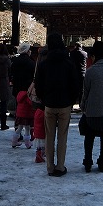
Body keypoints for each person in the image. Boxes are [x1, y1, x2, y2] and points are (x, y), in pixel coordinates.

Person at [34, 33, 79, 177]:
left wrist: (43, 99)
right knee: (62, 136)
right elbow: (75, 83)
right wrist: (72, 100)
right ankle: (60, 166)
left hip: (49, 103)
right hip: (65, 103)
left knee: (49, 136)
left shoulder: (43, 64)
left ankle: (49, 167)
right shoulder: (68, 63)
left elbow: (38, 84)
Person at [80, 40, 103, 172]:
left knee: (89, 137)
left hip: (92, 111)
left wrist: (83, 106)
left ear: (94, 56)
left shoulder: (90, 72)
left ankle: (88, 161)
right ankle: (102, 161)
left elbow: (86, 92)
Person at [69, 42, 87, 108]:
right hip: (82, 73)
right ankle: (81, 104)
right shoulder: (85, 54)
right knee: (82, 90)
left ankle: (71, 105)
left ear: (75, 46)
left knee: (73, 89)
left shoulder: (71, 53)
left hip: (74, 73)